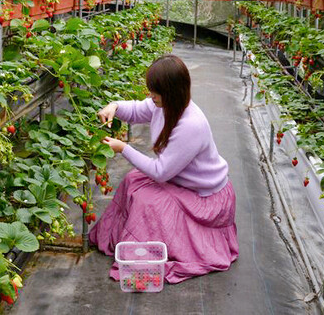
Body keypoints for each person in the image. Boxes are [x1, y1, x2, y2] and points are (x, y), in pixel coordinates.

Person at [88, 54, 238, 284]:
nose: (151, 96)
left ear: (171, 92)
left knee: (148, 202)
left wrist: (123, 148)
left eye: (155, 92)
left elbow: (160, 172)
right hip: (183, 183)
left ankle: (149, 254)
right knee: (132, 180)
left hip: (206, 197)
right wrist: (114, 107)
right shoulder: (165, 105)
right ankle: (127, 243)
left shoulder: (190, 125)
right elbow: (138, 110)